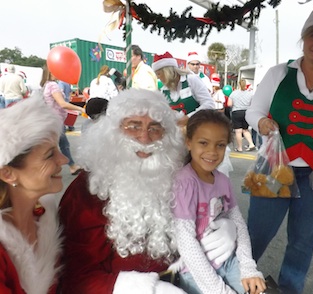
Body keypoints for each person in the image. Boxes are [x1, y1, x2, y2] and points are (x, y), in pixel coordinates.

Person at [58, 89, 238, 293]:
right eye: (133, 126)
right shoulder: (88, 189)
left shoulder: (179, 171)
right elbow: (75, 278)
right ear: (112, 132)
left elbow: (210, 207)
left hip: (191, 276)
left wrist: (224, 226)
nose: (144, 138)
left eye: (154, 128)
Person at [245, 3, 313, 294]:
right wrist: (263, 124)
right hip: (274, 167)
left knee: (303, 241)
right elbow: (253, 112)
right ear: (304, 38)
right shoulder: (277, 74)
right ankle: (235, 282)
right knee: (255, 235)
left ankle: (290, 289)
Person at [171, 109, 266, 294]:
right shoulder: (185, 183)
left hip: (228, 260)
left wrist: (248, 267)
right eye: (203, 143)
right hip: (194, 271)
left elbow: (238, 223)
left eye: (220, 145)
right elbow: (186, 242)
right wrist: (219, 290)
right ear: (188, 142)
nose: (212, 152)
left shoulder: (222, 180)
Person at [0, 96, 68, 293]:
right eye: (49, 155)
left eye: (58, 149)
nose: (63, 159)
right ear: (7, 173)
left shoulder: (46, 216)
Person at [40, 64, 85, 175]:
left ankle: (69, 166)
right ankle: (71, 166)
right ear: (50, 72)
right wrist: (80, 109)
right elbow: (62, 103)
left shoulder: (45, 85)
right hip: (56, 120)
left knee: (58, 145)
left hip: (50, 119)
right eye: (57, 71)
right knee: (61, 145)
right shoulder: (53, 86)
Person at [152, 51, 214, 127]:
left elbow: (209, 104)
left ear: (167, 72)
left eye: (158, 74)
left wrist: (189, 117)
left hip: (198, 130)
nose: (158, 77)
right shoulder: (163, 91)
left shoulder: (191, 80)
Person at [228, 79, 256, 153]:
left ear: (238, 85)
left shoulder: (233, 93)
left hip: (236, 112)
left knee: (238, 131)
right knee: (245, 130)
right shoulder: (250, 94)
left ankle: (240, 148)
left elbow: (229, 104)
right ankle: (251, 144)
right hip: (246, 113)